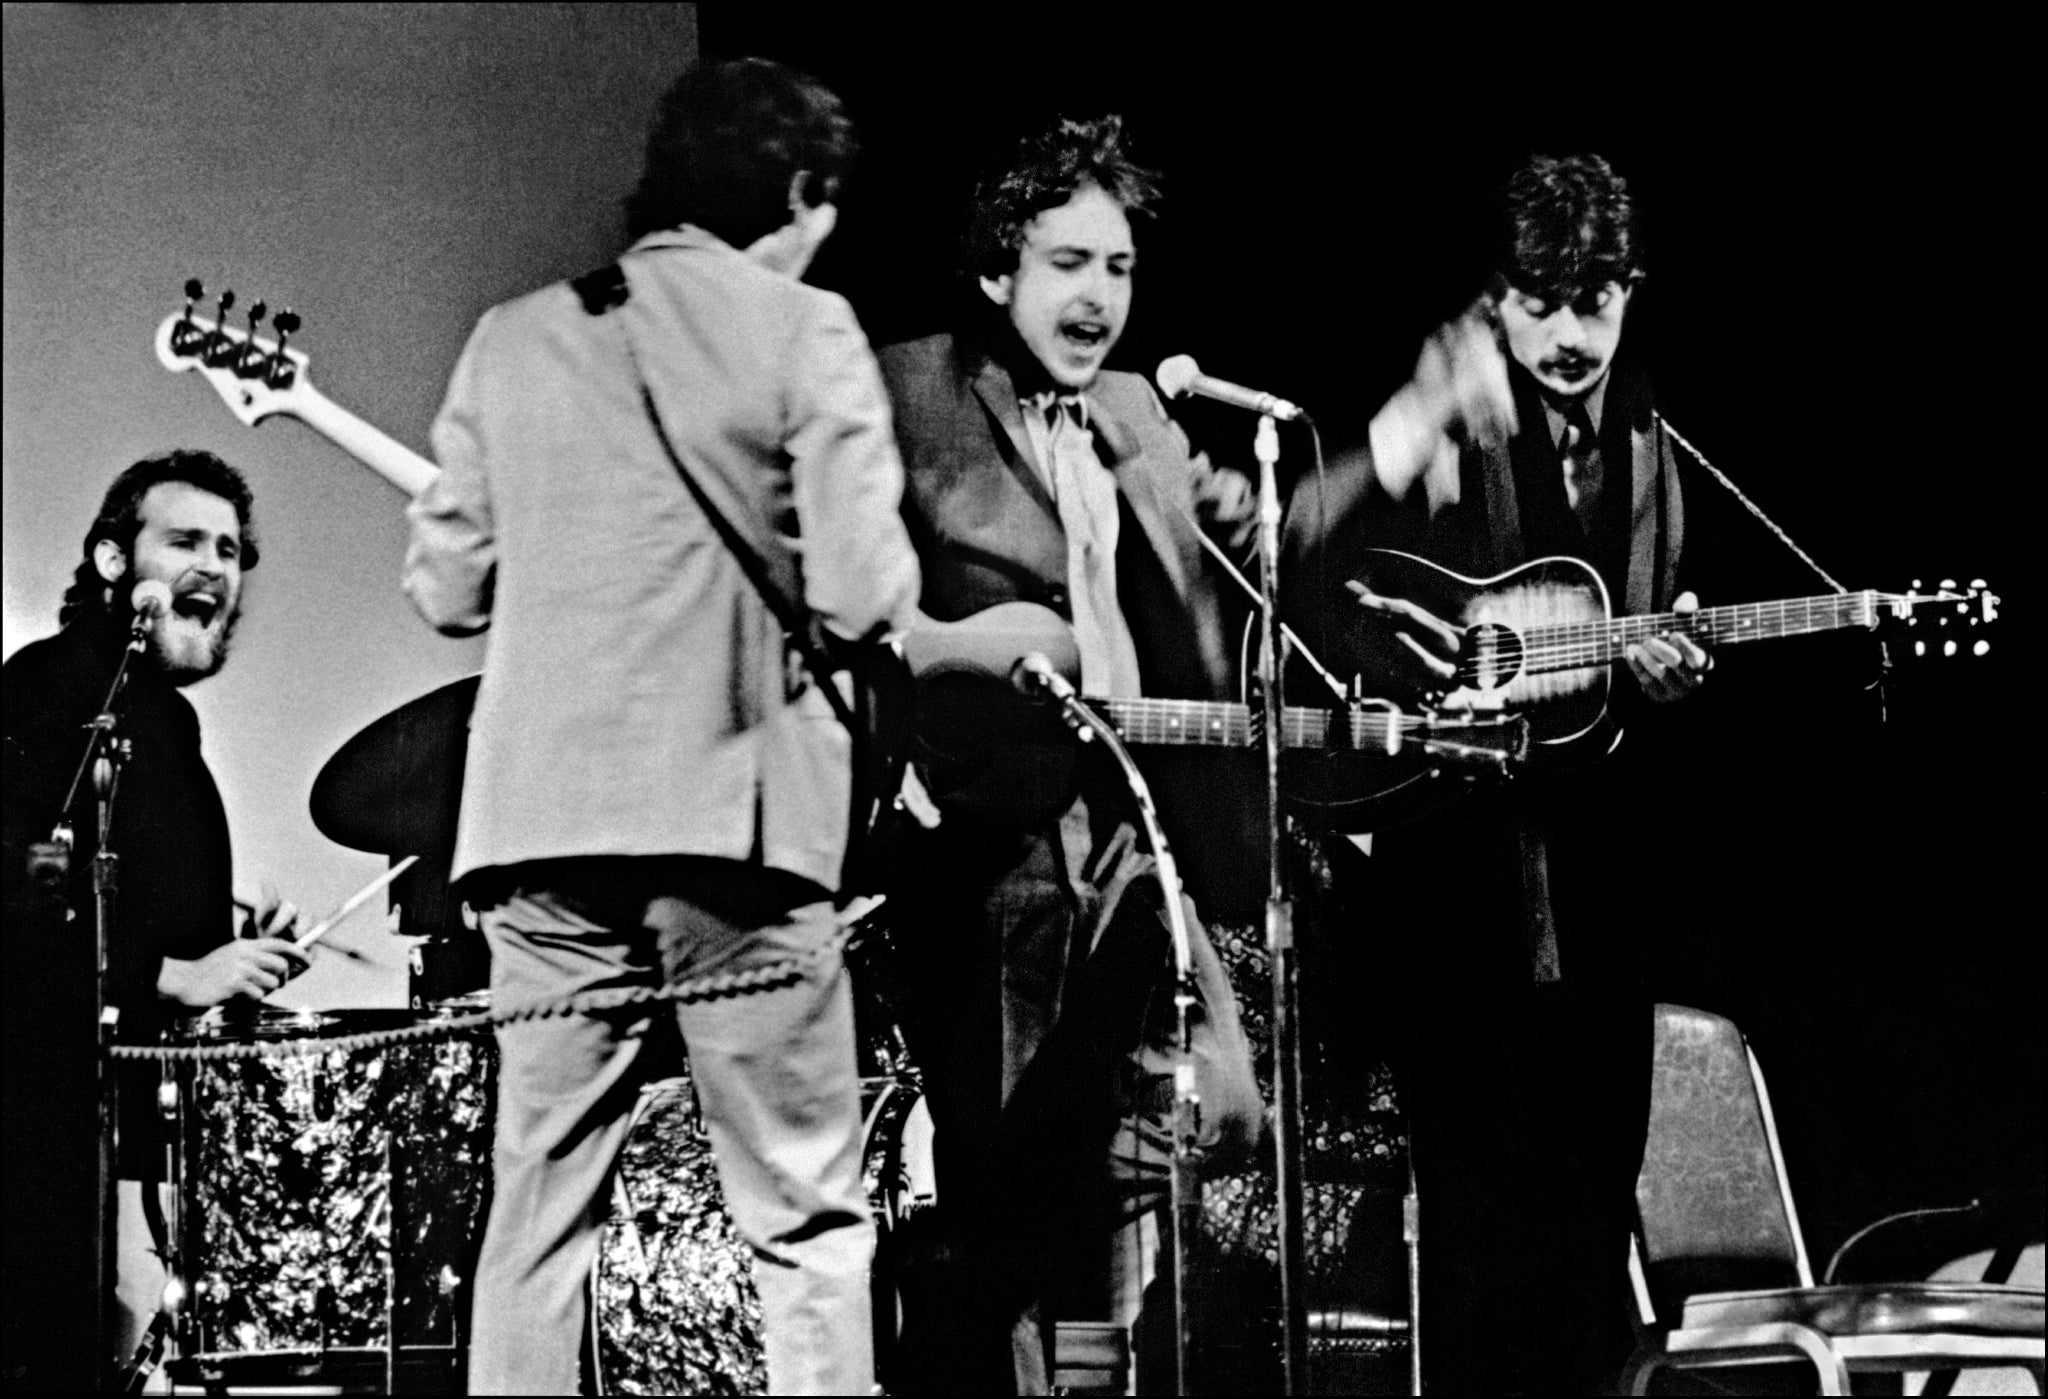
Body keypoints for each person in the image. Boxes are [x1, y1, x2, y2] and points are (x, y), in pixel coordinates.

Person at [402, 57, 921, 1397]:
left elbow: (447, 590)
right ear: (800, 194)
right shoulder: (805, 330)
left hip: (541, 831)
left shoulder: (511, 336)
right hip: (738, 824)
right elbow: (868, 597)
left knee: (538, 1211)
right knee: (802, 1214)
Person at [1283, 152, 1711, 1391]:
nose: (1570, 333)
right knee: (1477, 1234)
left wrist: (1657, 672)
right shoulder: (1449, 415)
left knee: (1585, 1221)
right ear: (1494, 301)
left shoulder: (1649, 447)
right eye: (1541, 300)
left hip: (1598, 888)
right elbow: (1304, 555)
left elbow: (1621, 667)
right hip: (1451, 886)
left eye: (1597, 297)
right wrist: (1409, 429)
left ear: (1631, 291)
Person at [875, 115, 1265, 1394]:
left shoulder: (1138, 410)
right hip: (985, 845)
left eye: (1118, 267)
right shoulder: (906, 390)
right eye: (1067, 264)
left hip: (1132, 831)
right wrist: (939, 648)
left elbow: (1207, 607)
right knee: (997, 1208)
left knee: (1112, 1177)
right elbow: (816, 594)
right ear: (997, 271)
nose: (1098, 296)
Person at [1, 449, 304, 1384]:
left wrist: (227, 942)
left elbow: (112, 892)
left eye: (230, 547)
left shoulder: (164, 722)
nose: (216, 565)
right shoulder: (53, 688)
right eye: (184, 540)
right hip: (39, 1150)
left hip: (124, 1135)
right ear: (109, 562)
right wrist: (173, 975)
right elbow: (22, 883)